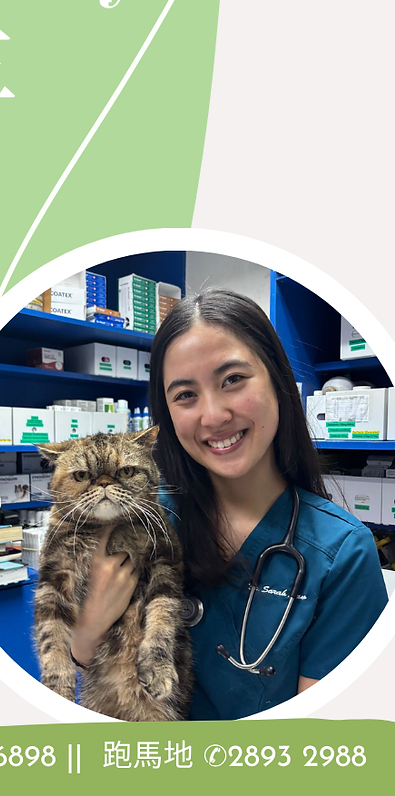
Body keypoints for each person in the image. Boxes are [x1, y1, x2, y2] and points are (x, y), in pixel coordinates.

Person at [69, 288, 388, 720]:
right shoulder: (142, 521)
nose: (213, 415)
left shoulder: (341, 553)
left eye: (232, 380)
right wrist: (87, 630)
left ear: (278, 379)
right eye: (185, 395)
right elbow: (90, 671)